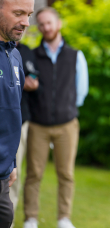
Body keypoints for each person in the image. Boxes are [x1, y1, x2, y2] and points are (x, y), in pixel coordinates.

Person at [23, 7, 89, 228]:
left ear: (58, 24)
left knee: (66, 174)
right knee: (33, 174)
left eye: (49, 22)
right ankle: (31, 218)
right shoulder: (32, 55)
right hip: (37, 125)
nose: (46, 27)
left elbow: (81, 91)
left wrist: (66, 109)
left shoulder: (75, 55)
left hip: (67, 125)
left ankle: (64, 219)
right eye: (41, 24)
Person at [0, 0, 35, 227]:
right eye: (18, 13)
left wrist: (11, 162)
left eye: (29, 14)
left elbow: (11, 113)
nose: (26, 22)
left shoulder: (15, 55)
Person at [9, 41, 39, 227]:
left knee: (14, 171)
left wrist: (31, 80)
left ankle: (8, 220)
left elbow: (34, 74)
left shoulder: (25, 51)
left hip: (19, 120)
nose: (24, 24)